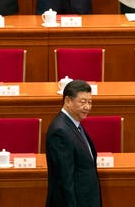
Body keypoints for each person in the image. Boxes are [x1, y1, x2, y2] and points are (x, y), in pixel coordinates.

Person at [45, 79, 101, 207]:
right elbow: (64, 180)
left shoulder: (73, 124)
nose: (87, 106)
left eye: (90, 102)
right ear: (68, 101)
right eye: (83, 102)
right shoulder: (60, 131)